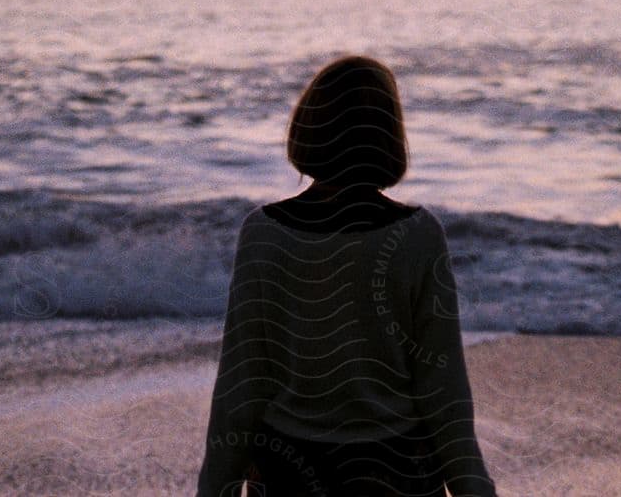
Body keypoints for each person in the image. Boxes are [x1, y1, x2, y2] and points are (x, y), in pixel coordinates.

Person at [196, 55, 497, 497]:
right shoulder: (418, 235)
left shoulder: (263, 233)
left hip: (291, 471)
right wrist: (474, 489)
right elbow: (444, 389)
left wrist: (215, 489)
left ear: (308, 128)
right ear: (389, 138)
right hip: (399, 472)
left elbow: (241, 387)